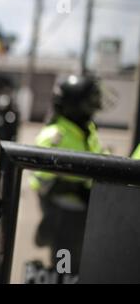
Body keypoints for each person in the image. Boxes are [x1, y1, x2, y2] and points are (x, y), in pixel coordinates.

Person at [30, 74, 105, 275]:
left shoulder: (86, 128)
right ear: (78, 104)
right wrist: (71, 187)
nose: (96, 104)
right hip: (64, 211)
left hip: (86, 207)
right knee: (66, 261)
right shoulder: (55, 136)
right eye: (91, 100)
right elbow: (40, 180)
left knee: (79, 259)